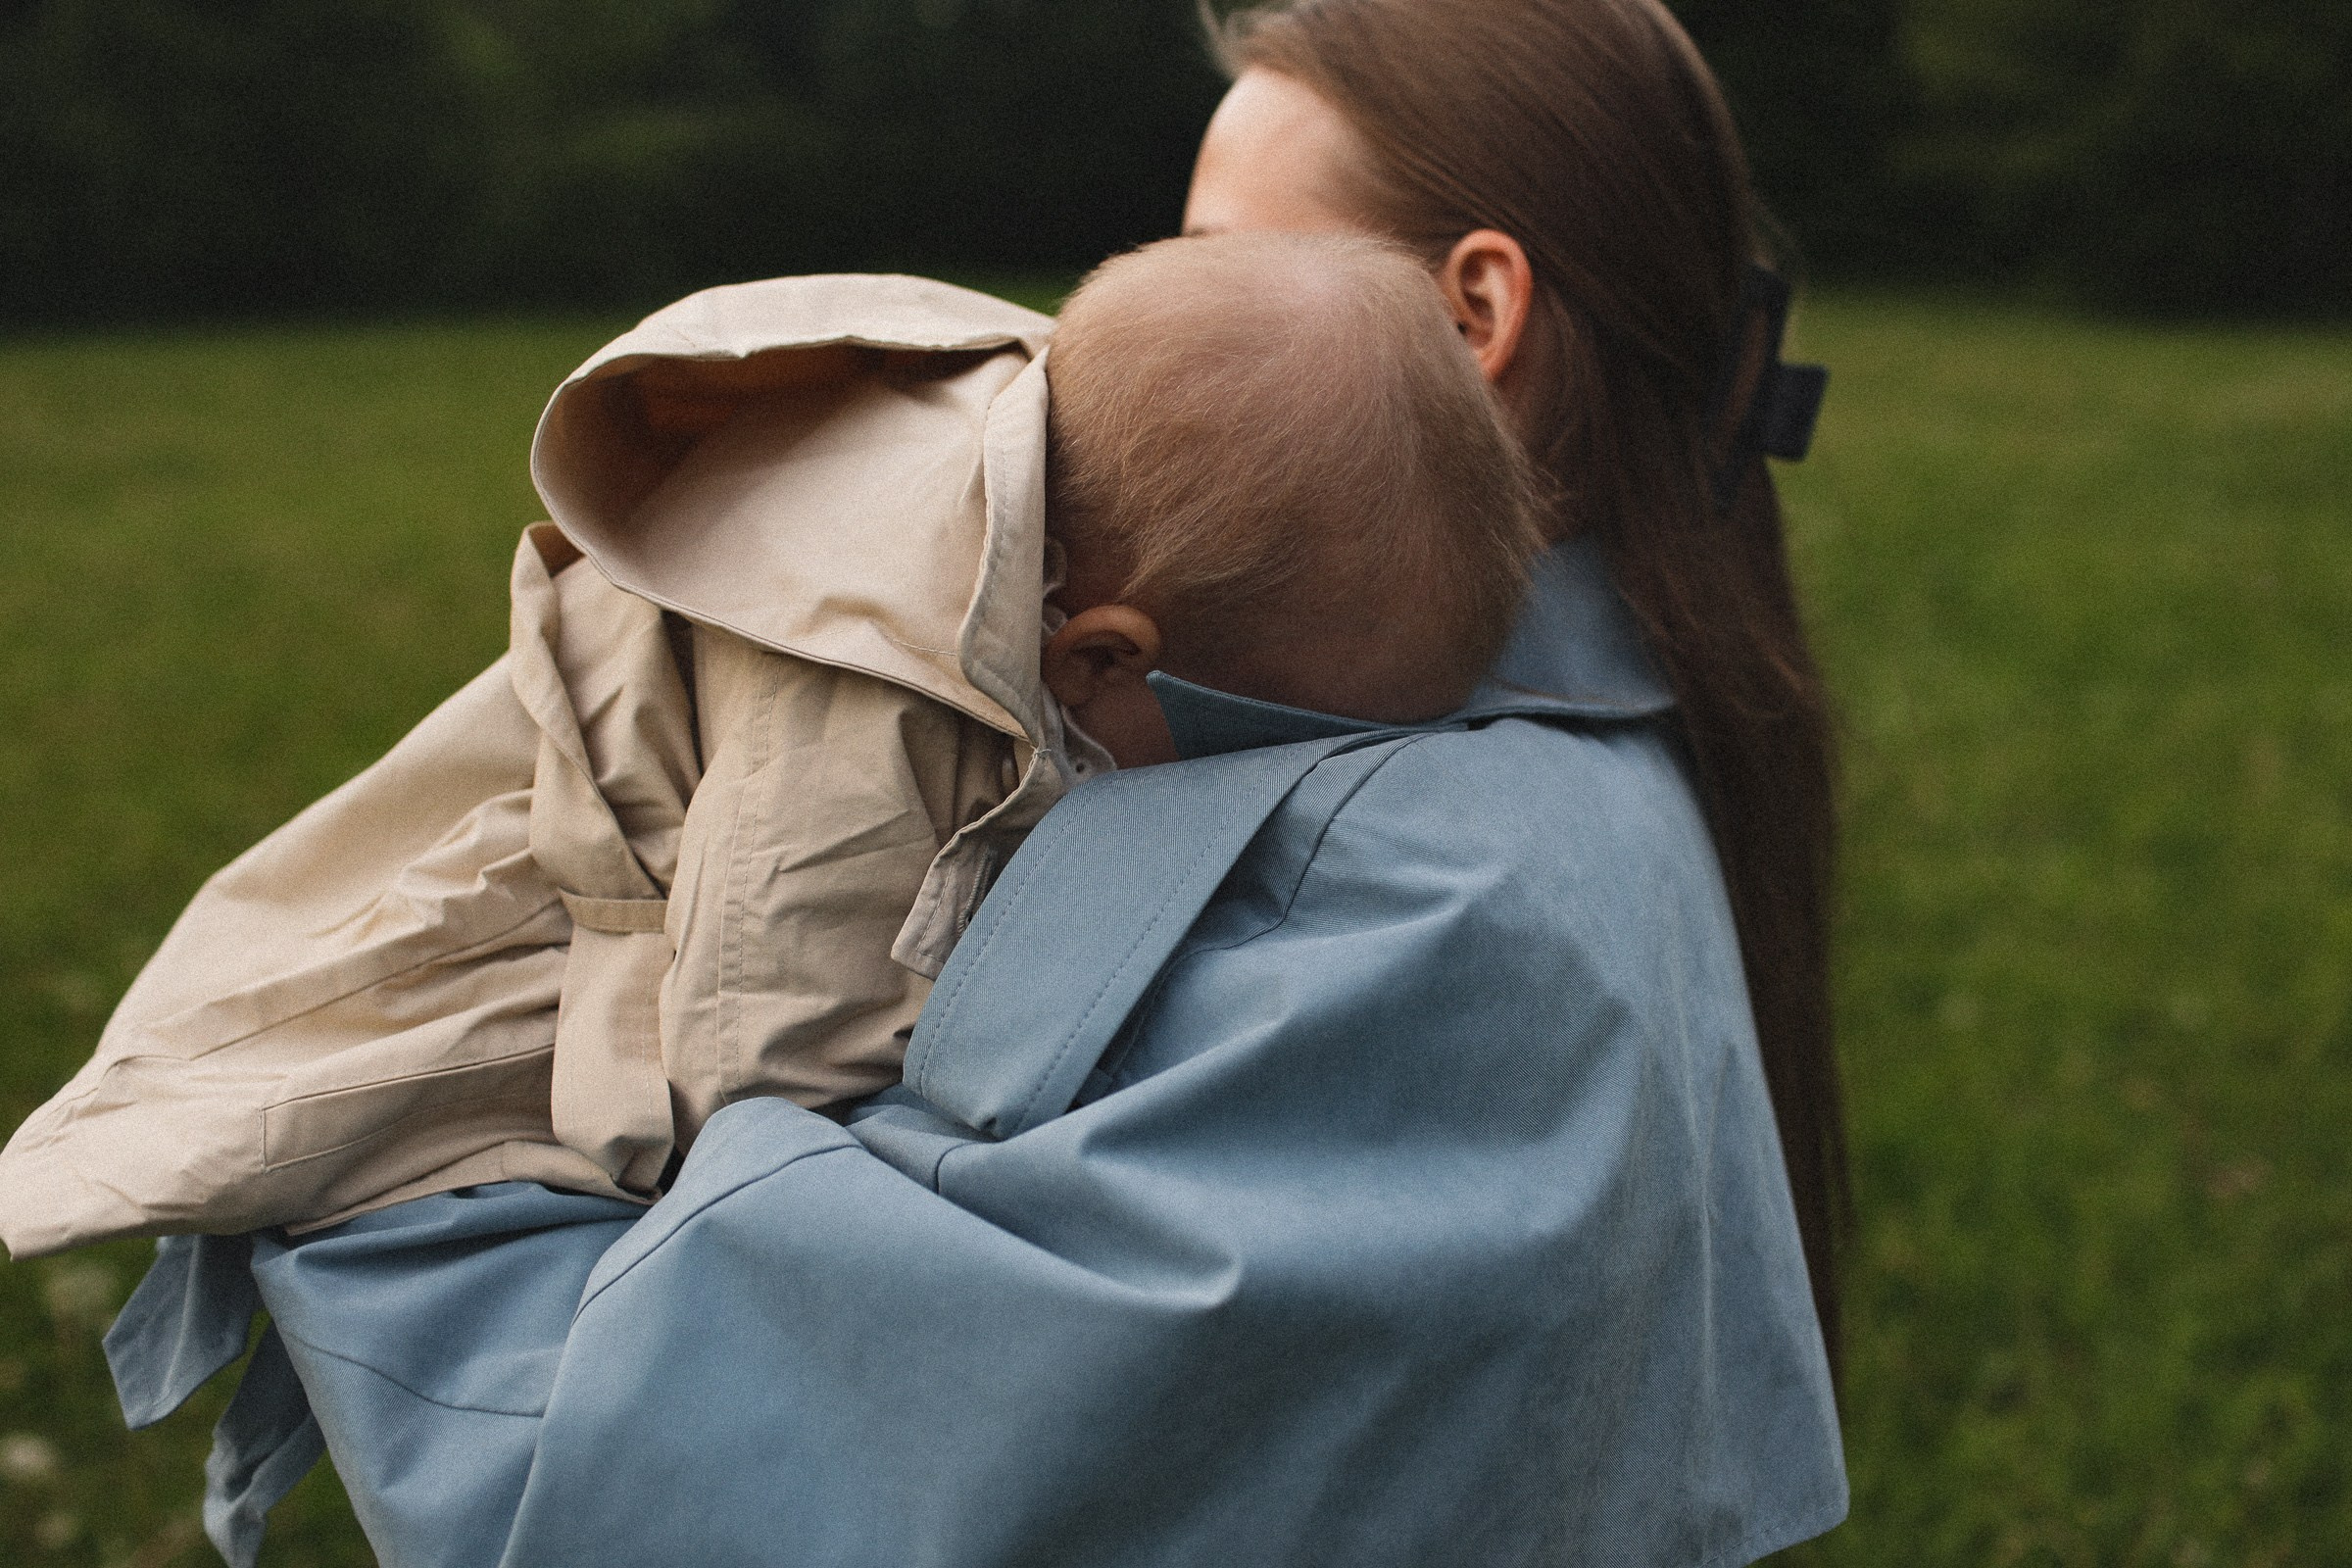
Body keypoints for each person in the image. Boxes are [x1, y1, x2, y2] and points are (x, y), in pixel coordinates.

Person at [99, 1, 1852, 1564]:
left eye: (1212, 262)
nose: (1075, 387)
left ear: (1470, 312)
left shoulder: (1413, 880)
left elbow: (647, 1474)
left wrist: (379, 1174)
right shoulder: (1579, 761)